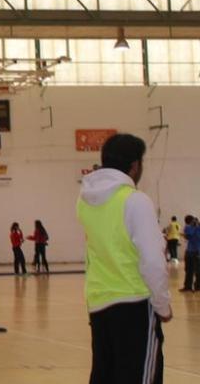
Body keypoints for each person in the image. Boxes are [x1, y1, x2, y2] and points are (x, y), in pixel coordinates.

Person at [77, 133, 172, 384]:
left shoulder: (85, 201)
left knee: (105, 376)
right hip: (135, 304)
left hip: (99, 305)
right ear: (135, 165)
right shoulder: (135, 200)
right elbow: (152, 260)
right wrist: (162, 304)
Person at [180, 215, 200, 292]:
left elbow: (188, 235)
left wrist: (196, 227)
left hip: (196, 252)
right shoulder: (188, 227)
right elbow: (188, 236)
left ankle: (197, 286)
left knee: (197, 270)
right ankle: (188, 287)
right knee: (188, 270)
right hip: (189, 251)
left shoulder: (196, 228)